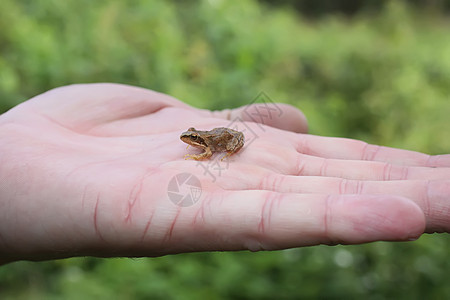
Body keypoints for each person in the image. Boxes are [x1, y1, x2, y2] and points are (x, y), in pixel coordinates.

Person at [0, 83, 448, 265]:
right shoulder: (198, 139)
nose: (189, 143)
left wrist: (212, 153)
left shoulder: (211, 144)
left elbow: (222, 144)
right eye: (191, 140)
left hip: (229, 140)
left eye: (191, 140)